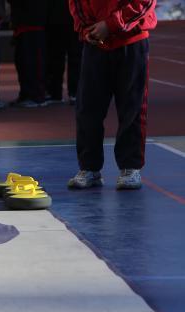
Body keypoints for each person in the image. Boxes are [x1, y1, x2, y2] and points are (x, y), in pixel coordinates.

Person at [67, 0, 156, 190]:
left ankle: (130, 167)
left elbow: (145, 2)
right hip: (96, 44)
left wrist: (110, 24)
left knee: (132, 107)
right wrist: (86, 28)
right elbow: (77, 3)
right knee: (88, 108)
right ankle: (89, 168)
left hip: (132, 40)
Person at [9, 0, 48, 107]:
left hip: (32, 22)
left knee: (32, 61)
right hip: (23, 22)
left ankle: (36, 95)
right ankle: (27, 93)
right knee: (22, 61)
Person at [46, 0, 82, 105]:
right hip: (64, 17)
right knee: (61, 56)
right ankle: (63, 92)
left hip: (66, 17)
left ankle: (60, 92)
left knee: (60, 56)